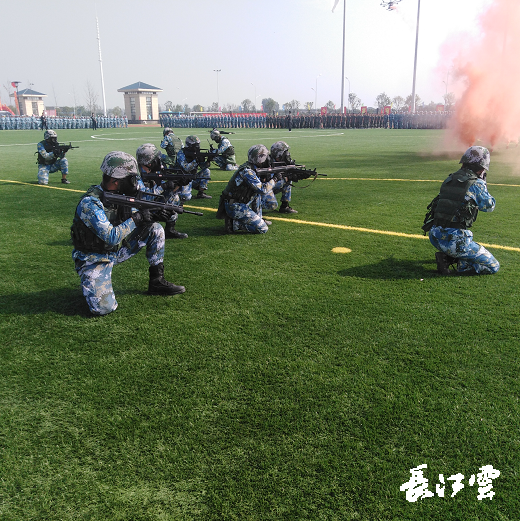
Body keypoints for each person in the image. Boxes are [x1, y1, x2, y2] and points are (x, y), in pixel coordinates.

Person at [71, 151, 185, 316]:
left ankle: (157, 281)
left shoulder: (119, 195)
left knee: (155, 229)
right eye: (131, 179)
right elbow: (112, 236)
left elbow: (136, 213)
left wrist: (154, 214)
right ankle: (91, 280)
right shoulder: (91, 203)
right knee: (103, 308)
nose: (135, 183)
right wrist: (138, 218)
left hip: (115, 252)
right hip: (94, 259)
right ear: (116, 181)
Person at [426, 145, 499, 276]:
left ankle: (447, 257)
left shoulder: (451, 178)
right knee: (493, 266)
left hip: (435, 236)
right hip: (455, 241)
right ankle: (451, 260)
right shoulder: (476, 183)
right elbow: (489, 206)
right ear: (482, 167)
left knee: (460, 245)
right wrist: (483, 184)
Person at [216, 144, 282, 234]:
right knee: (263, 229)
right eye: (266, 157)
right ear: (260, 159)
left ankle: (259, 218)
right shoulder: (248, 171)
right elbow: (263, 190)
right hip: (234, 205)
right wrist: (275, 179)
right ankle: (233, 224)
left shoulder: (253, 168)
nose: (268, 159)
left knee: (256, 194)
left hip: (240, 201)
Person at [136, 143, 189, 239]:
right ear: (149, 162)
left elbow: (167, 191)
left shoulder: (153, 172)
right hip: (139, 209)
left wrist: (178, 184)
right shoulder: (136, 176)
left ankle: (170, 230)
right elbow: (143, 198)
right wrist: (163, 186)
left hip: (150, 204)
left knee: (174, 198)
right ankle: (145, 228)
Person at [261, 141, 298, 214]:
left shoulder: (284, 162)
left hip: (271, 187)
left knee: (289, 180)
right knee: (273, 205)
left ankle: (285, 206)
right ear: (279, 154)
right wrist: (286, 179)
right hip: (264, 189)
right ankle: (257, 206)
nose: (287, 154)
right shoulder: (267, 163)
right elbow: (269, 182)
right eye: (285, 152)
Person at [176, 135, 212, 200]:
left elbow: (203, 167)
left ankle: (201, 193)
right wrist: (196, 160)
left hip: (193, 177)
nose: (197, 147)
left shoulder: (196, 153)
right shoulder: (181, 153)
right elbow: (186, 168)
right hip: (183, 179)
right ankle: (177, 191)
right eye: (195, 145)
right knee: (186, 197)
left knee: (207, 171)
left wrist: (208, 161)